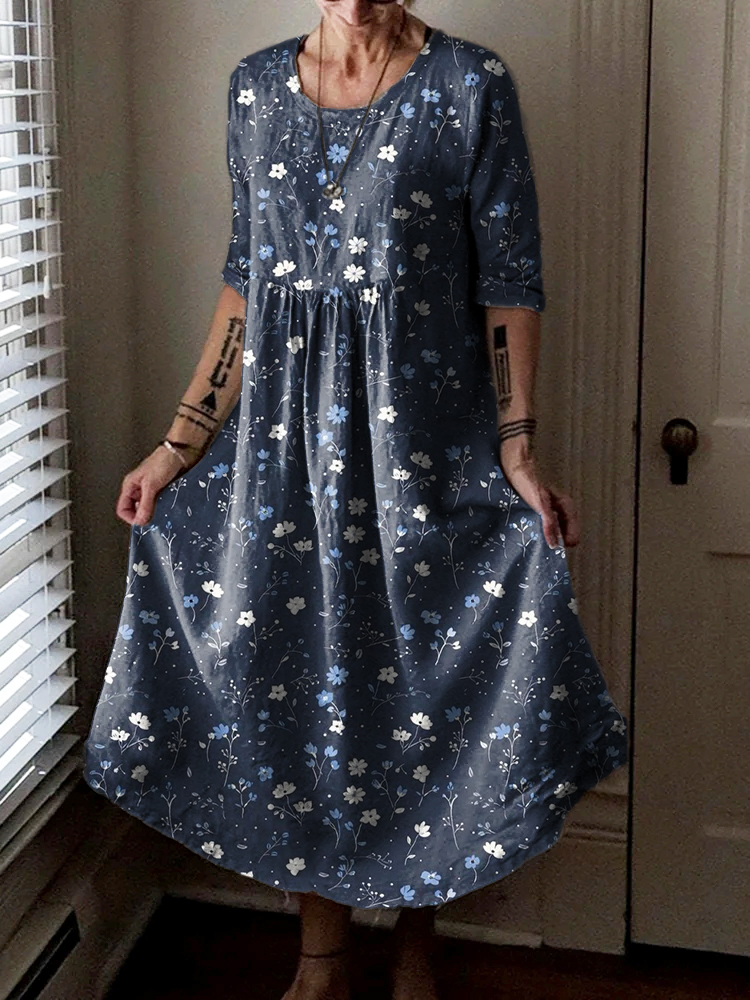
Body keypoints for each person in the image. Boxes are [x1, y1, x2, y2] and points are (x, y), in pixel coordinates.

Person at [83, 2, 629, 998]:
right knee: (297, 693)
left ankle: (418, 940)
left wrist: (517, 444)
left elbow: (510, 281)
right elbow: (246, 283)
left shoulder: (470, 85)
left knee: (425, 695)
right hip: (283, 462)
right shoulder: (254, 89)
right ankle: (321, 957)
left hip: (424, 451)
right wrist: (178, 442)